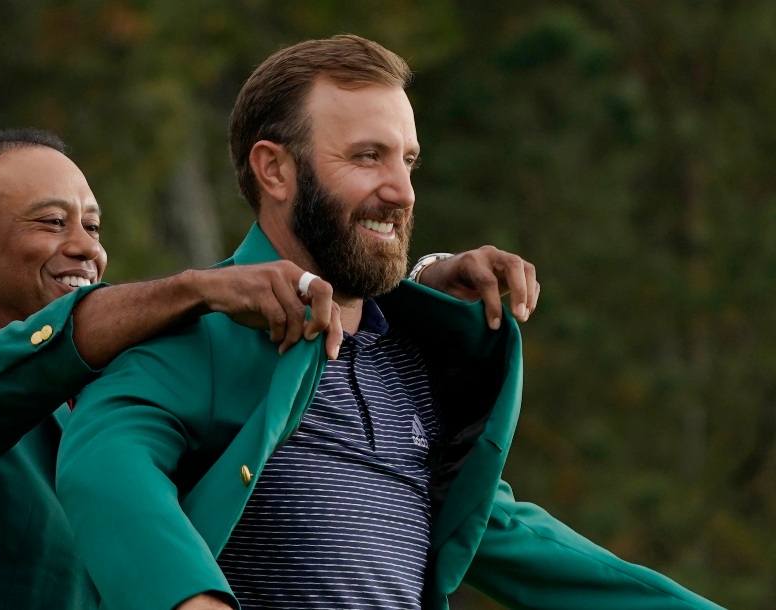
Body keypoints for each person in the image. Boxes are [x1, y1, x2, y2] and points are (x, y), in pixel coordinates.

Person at [55, 35, 723, 610]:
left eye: (408, 161)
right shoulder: (197, 335)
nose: (401, 191)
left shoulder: (411, 358)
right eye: (367, 157)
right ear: (275, 170)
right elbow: (101, 468)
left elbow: (505, 533)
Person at [0, 128, 535, 610]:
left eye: (94, 226)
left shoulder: (137, 390)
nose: (86, 250)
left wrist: (416, 296)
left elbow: (320, 450)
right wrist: (193, 289)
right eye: (52, 224)